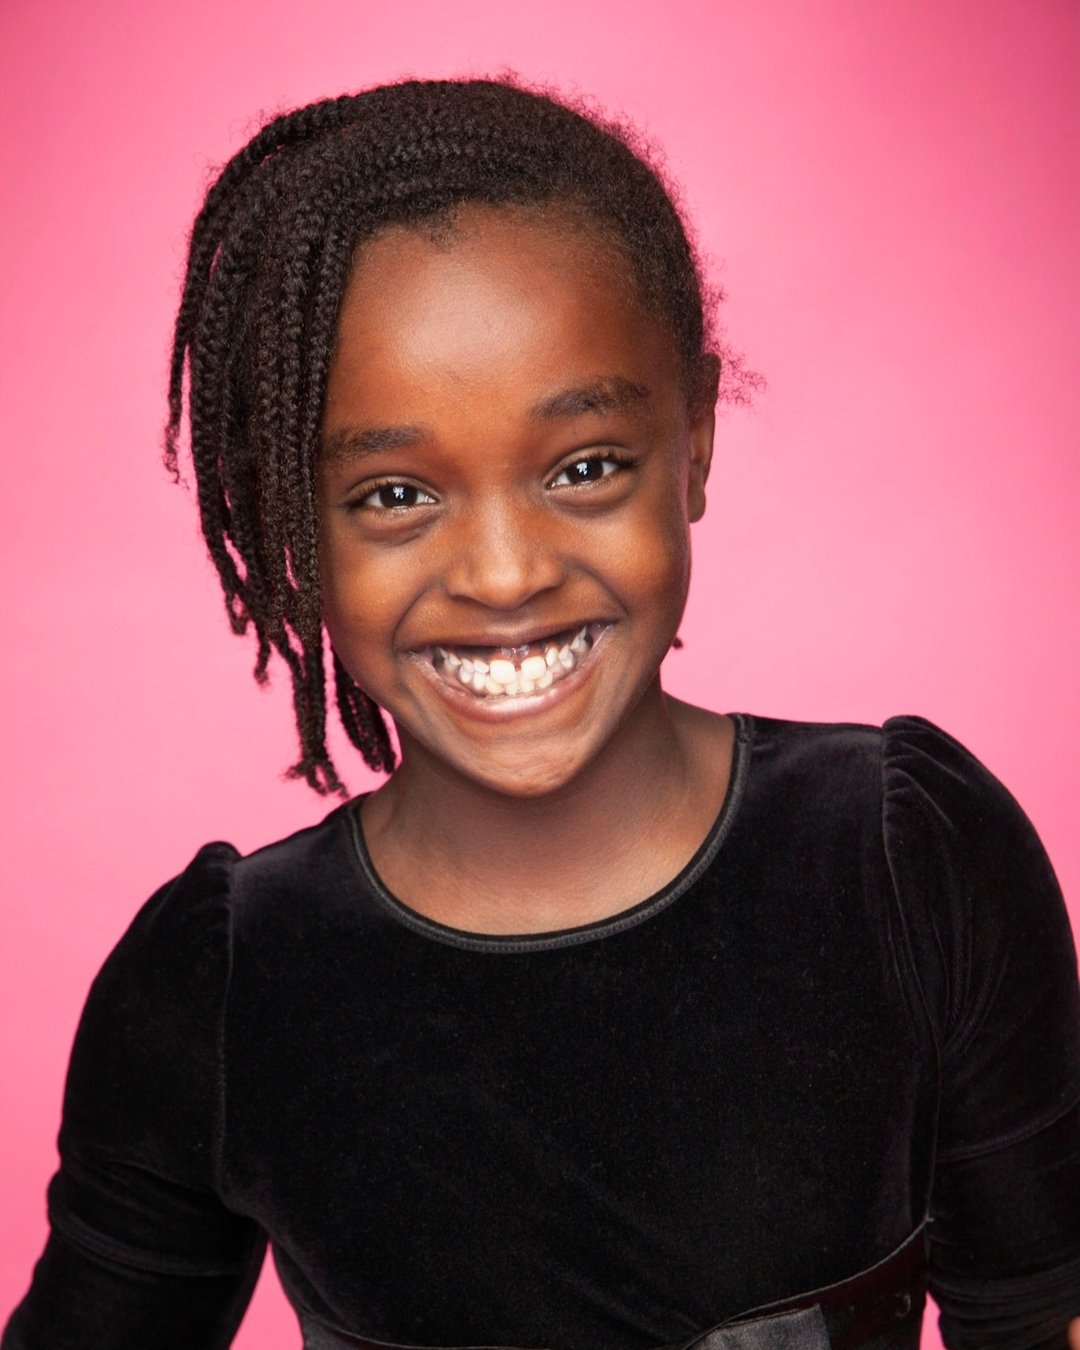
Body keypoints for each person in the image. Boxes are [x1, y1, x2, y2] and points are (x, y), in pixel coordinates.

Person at [3, 77, 1078, 1350]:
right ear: (293, 524)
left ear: (695, 438)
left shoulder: (905, 859)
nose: (506, 574)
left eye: (584, 469)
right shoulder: (223, 985)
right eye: (395, 494)